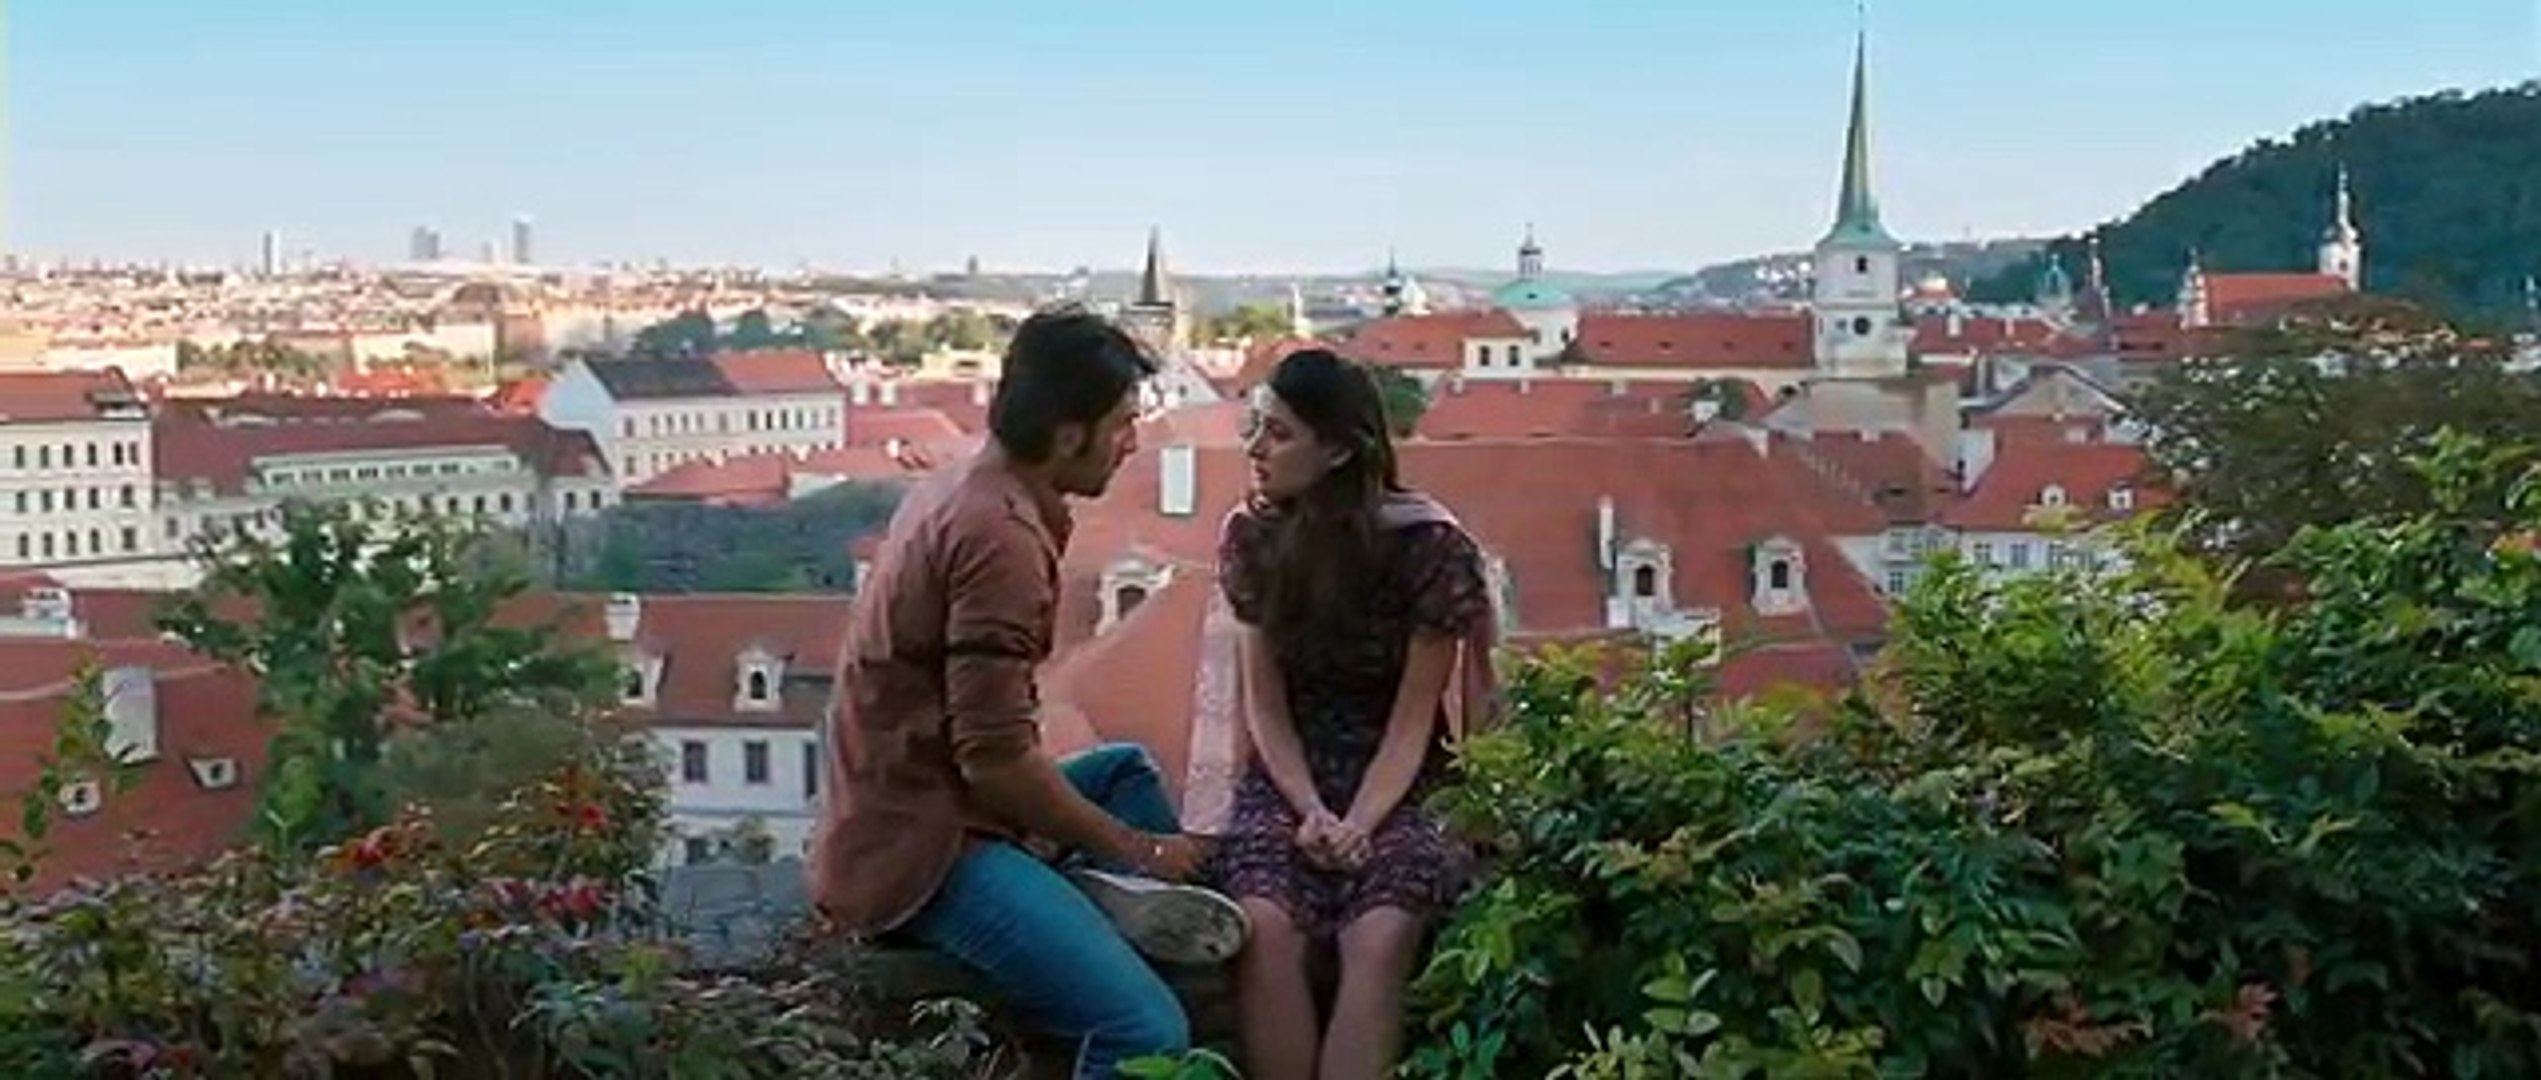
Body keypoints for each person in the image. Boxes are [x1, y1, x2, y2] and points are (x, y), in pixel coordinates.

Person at [809, 304, 1250, 1079]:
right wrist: (1141, 850)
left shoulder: (969, 484)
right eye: (1121, 424)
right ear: (1069, 433)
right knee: (1143, 1031)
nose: (1132, 442)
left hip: (927, 806)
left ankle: (1106, 912)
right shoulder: (999, 536)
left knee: (1124, 772)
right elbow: (996, 763)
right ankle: (1102, 915)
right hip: (926, 849)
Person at [1213, 348, 1498, 1080]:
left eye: (1279, 433)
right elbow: (1264, 705)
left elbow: (1413, 719)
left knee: (1379, 935)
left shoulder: (1426, 547)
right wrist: (1309, 808)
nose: (1254, 448)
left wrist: (1358, 824)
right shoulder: (1252, 538)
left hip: (1403, 779)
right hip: (1287, 773)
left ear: (1338, 450)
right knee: (1264, 927)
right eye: (1255, 427)